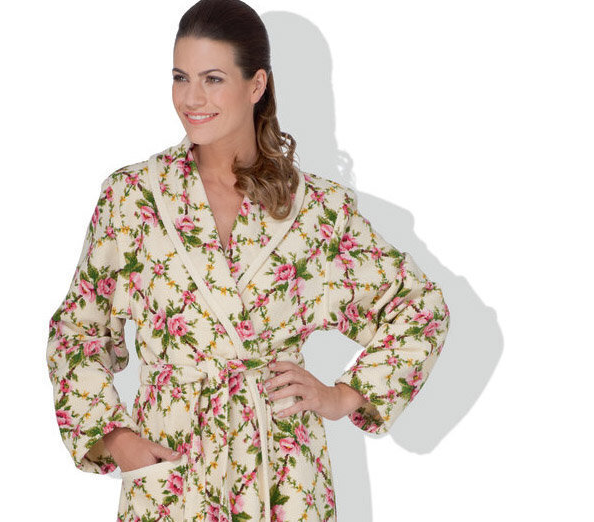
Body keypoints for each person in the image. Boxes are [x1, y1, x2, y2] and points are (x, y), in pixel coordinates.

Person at [45, 0, 451, 520]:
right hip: (173, 470)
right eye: (180, 77)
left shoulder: (317, 210)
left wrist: (344, 395)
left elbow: (420, 308)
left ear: (256, 85)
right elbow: (77, 332)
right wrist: (116, 437)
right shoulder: (133, 198)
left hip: (282, 474)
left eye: (213, 79)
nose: (191, 98)